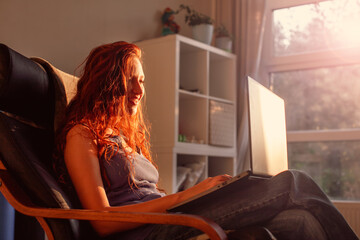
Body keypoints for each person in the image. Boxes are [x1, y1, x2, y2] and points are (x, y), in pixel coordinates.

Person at [54, 41, 358, 240]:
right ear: (108, 82)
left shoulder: (122, 137)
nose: (138, 89)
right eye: (130, 79)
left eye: (142, 80)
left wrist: (194, 197)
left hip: (171, 218)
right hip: (150, 232)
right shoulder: (81, 134)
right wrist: (187, 197)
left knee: (300, 220)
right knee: (292, 181)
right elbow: (102, 220)